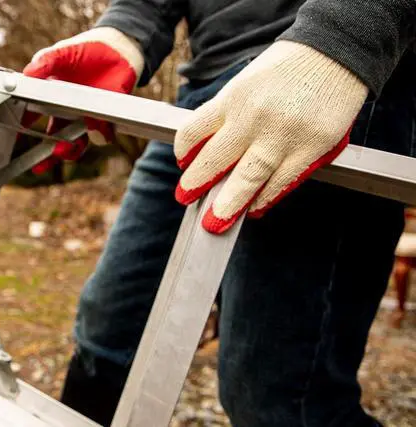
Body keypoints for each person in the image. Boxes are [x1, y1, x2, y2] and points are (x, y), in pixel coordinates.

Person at [22, 1, 416, 426]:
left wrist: (347, 33)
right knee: (106, 335)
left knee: (278, 400)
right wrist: (127, 28)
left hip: (323, 79)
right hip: (200, 98)